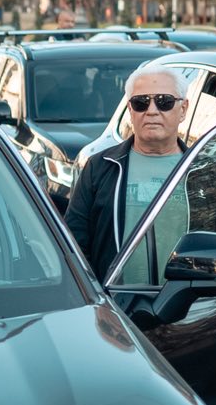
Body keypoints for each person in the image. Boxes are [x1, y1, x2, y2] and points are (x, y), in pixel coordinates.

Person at [63, 67, 191, 282]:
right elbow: (74, 245)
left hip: (188, 301)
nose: (151, 111)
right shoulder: (100, 167)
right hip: (114, 299)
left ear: (183, 109)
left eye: (164, 101)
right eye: (141, 102)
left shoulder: (203, 170)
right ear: (130, 110)